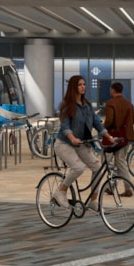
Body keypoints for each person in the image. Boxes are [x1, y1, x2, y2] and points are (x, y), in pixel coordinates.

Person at [52, 75, 117, 209]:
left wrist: (109, 137)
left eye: (84, 84)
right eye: (80, 85)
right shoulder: (66, 105)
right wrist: (72, 138)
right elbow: (65, 126)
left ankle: (93, 201)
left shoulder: (87, 105)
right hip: (64, 144)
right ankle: (60, 191)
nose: (83, 87)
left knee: (97, 168)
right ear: (73, 87)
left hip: (81, 144)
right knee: (79, 168)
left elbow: (97, 123)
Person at [103, 82, 134, 196]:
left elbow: (109, 120)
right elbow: (133, 120)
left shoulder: (110, 103)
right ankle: (111, 187)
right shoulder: (129, 104)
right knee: (119, 161)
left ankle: (128, 189)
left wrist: (103, 128)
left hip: (115, 137)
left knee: (119, 162)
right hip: (127, 136)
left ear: (112, 91)